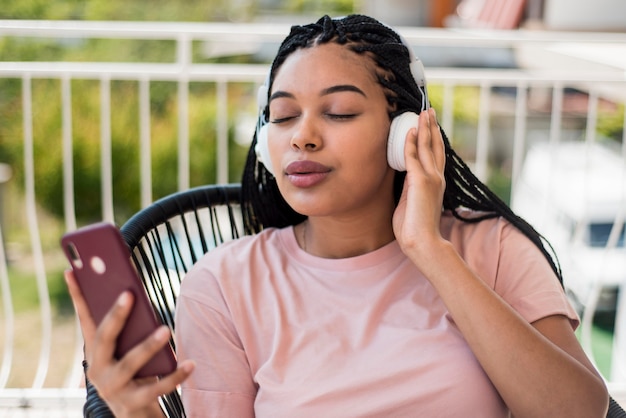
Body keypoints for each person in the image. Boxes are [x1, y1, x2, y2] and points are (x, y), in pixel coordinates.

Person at [65, 14, 609, 418]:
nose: (302, 134)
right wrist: (133, 411)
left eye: (339, 111)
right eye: (282, 116)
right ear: (264, 143)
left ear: (405, 134)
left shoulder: (491, 249)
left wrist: (430, 251)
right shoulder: (223, 284)